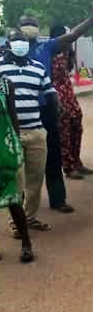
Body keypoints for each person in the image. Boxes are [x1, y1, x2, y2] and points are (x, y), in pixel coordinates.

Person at [20, 5, 93, 213]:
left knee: (53, 155)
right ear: (18, 30)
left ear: (38, 29)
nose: (29, 29)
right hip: (19, 112)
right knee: (20, 162)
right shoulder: (8, 51)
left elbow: (73, 35)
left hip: (46, 110)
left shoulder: (46, 47)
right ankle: (22, 206)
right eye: (25, 25)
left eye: (32, 25)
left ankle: (58, 200)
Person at [0, 29, 60, 238]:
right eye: (15, 40)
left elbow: (50, 94)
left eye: (22, 40)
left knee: (35, 180)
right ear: (8, 43)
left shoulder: (38, 68)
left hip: (36, 131)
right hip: (8, 135)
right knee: (15, 182)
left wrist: (55, 117)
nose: (19, 43)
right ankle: (16, 223)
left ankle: (29, 217)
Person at [0, 43, 35, 263]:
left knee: (13, 200)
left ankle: (26, 242)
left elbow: (13, 118)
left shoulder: (6, 85)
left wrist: (17, 146)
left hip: (4, 149)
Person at [49, 25, 92, 180]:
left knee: (77, 126)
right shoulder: (49, 52)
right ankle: (68, 166)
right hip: (57, 95)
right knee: (64, 131)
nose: (70, 39)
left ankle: (77, 161)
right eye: (68, 37)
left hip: (69, 94)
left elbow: (70, 70)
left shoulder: (67, 53)